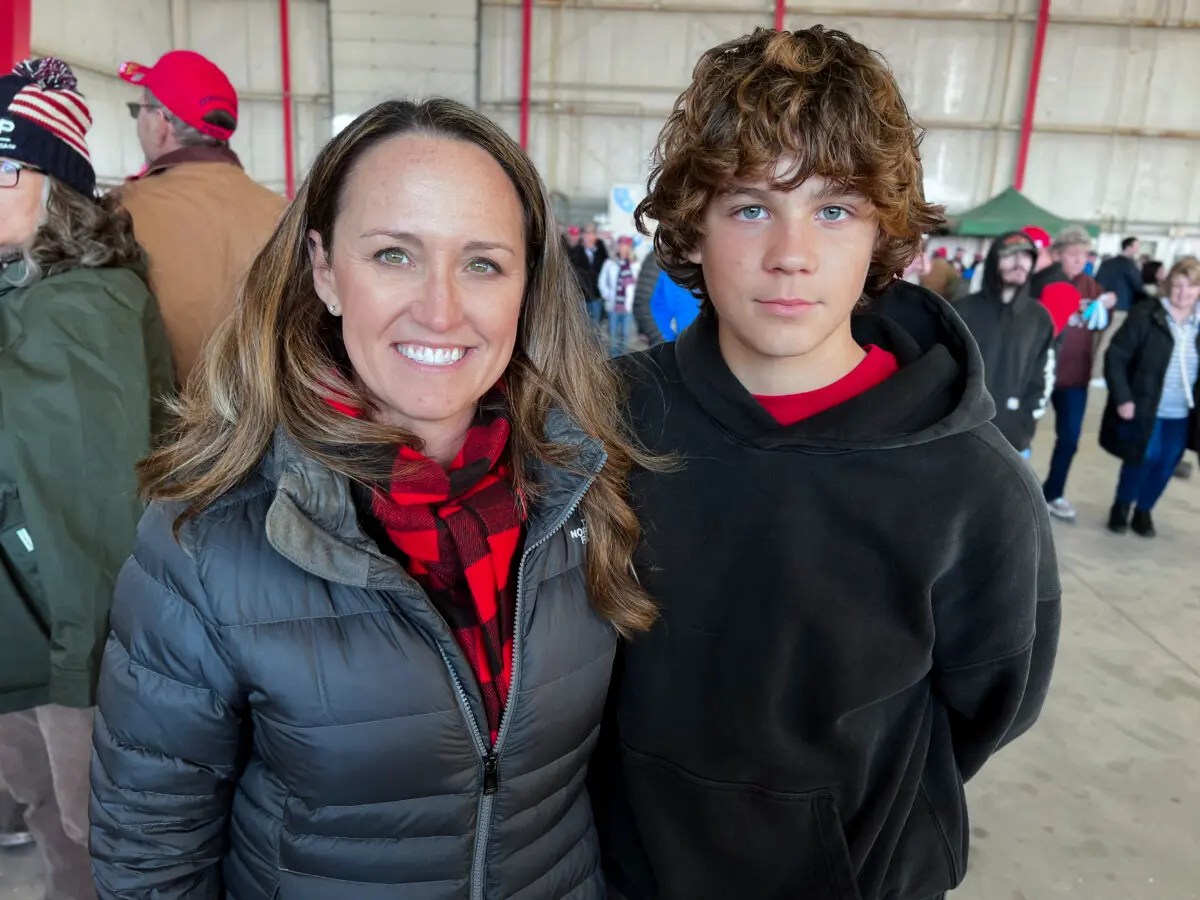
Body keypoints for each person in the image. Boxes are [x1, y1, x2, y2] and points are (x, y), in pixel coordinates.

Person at [89, 98, 660, 900]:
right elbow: (151, 860)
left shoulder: (583, 494)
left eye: (483, 263)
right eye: (394, 255)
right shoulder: (206, 539)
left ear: (528, 285)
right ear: (324, 270)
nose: (440, 308)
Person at [593, 27, 1060, 900]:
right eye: (750, 206)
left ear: (886, 233)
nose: (791, 253)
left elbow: (994, 700)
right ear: (693, 228)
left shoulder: (971, 482)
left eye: (834, 209)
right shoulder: (609, 421)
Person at [0, 58, 173, 900]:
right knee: (49, 815)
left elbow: (90, 516)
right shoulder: (25, 287)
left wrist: (80, 678)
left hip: (75, 650)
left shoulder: (79, 309)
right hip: (31, 634)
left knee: (89, 836)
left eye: (5, 170)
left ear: (58, 187)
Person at [116, 50, 286, 384]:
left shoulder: (119, 211)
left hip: (166, 431)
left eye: (140, 110)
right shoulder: (285, 214)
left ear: (161, 123)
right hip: (268, 428)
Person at [1100, 256, 1200, 537]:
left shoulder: (1198, 322)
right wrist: (1123, 398)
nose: (1183, 293)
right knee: (1144, 455)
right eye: (1178, 286)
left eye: (1190, 288)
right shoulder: (1146, 314)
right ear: (1169, 286)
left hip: (1182, 411)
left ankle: (1144, 510)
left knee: (1168, 461)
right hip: (1145, 404)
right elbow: (1116, 356)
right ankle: (1122, 505)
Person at [1041, 226, 1117, 520]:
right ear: (1057, 255)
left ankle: (1054, 492)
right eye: (1072, 254)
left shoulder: (1091, 286)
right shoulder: (1044, 283)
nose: (1078, 260)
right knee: (1019, 437)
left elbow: (1099, 323)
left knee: (1070, 438)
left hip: (1075, 378)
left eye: (1083, 255)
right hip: (1040, 374)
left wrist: (1108, 306)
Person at [957, 231, 1056, 454]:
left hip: (1012, 437)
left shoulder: (1039, 318)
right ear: (994, 261)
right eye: (1010, 255)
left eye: (1027, 256)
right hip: (961, 435)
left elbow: (1044, 376)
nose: (1019, 262)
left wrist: (1025, 421)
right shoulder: (962, 310)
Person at [1093, 236, 1143, 381]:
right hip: (1120, 308)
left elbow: (1097, 281)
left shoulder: (1107, 263)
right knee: (1107, 342)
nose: (1138, 249)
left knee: (1096, 341)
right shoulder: (1129, 265)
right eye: (1136, 246)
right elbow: (1138, 286)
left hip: (1101, 306)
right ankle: (1098, 375)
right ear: (1129, 247)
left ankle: (1090, 371)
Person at [600, 235, 638, 355]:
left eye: (626, 246)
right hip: (613, 305)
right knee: (613, 334)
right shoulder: (610, 263)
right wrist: (607, 294)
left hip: (628, 307)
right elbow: (602, 281)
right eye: (621, 246)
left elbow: (638, 285)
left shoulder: (635, 265)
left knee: (625, 334)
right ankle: (614, 360)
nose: (623, 248)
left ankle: (623, 359)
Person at [571, 222, 608, 322]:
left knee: (595, 328)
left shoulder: (602, 253)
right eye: (586, 234)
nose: (589, 237)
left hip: (596, 297)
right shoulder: (575, 254)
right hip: (580, 298)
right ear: (582, 236)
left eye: (592, 234)